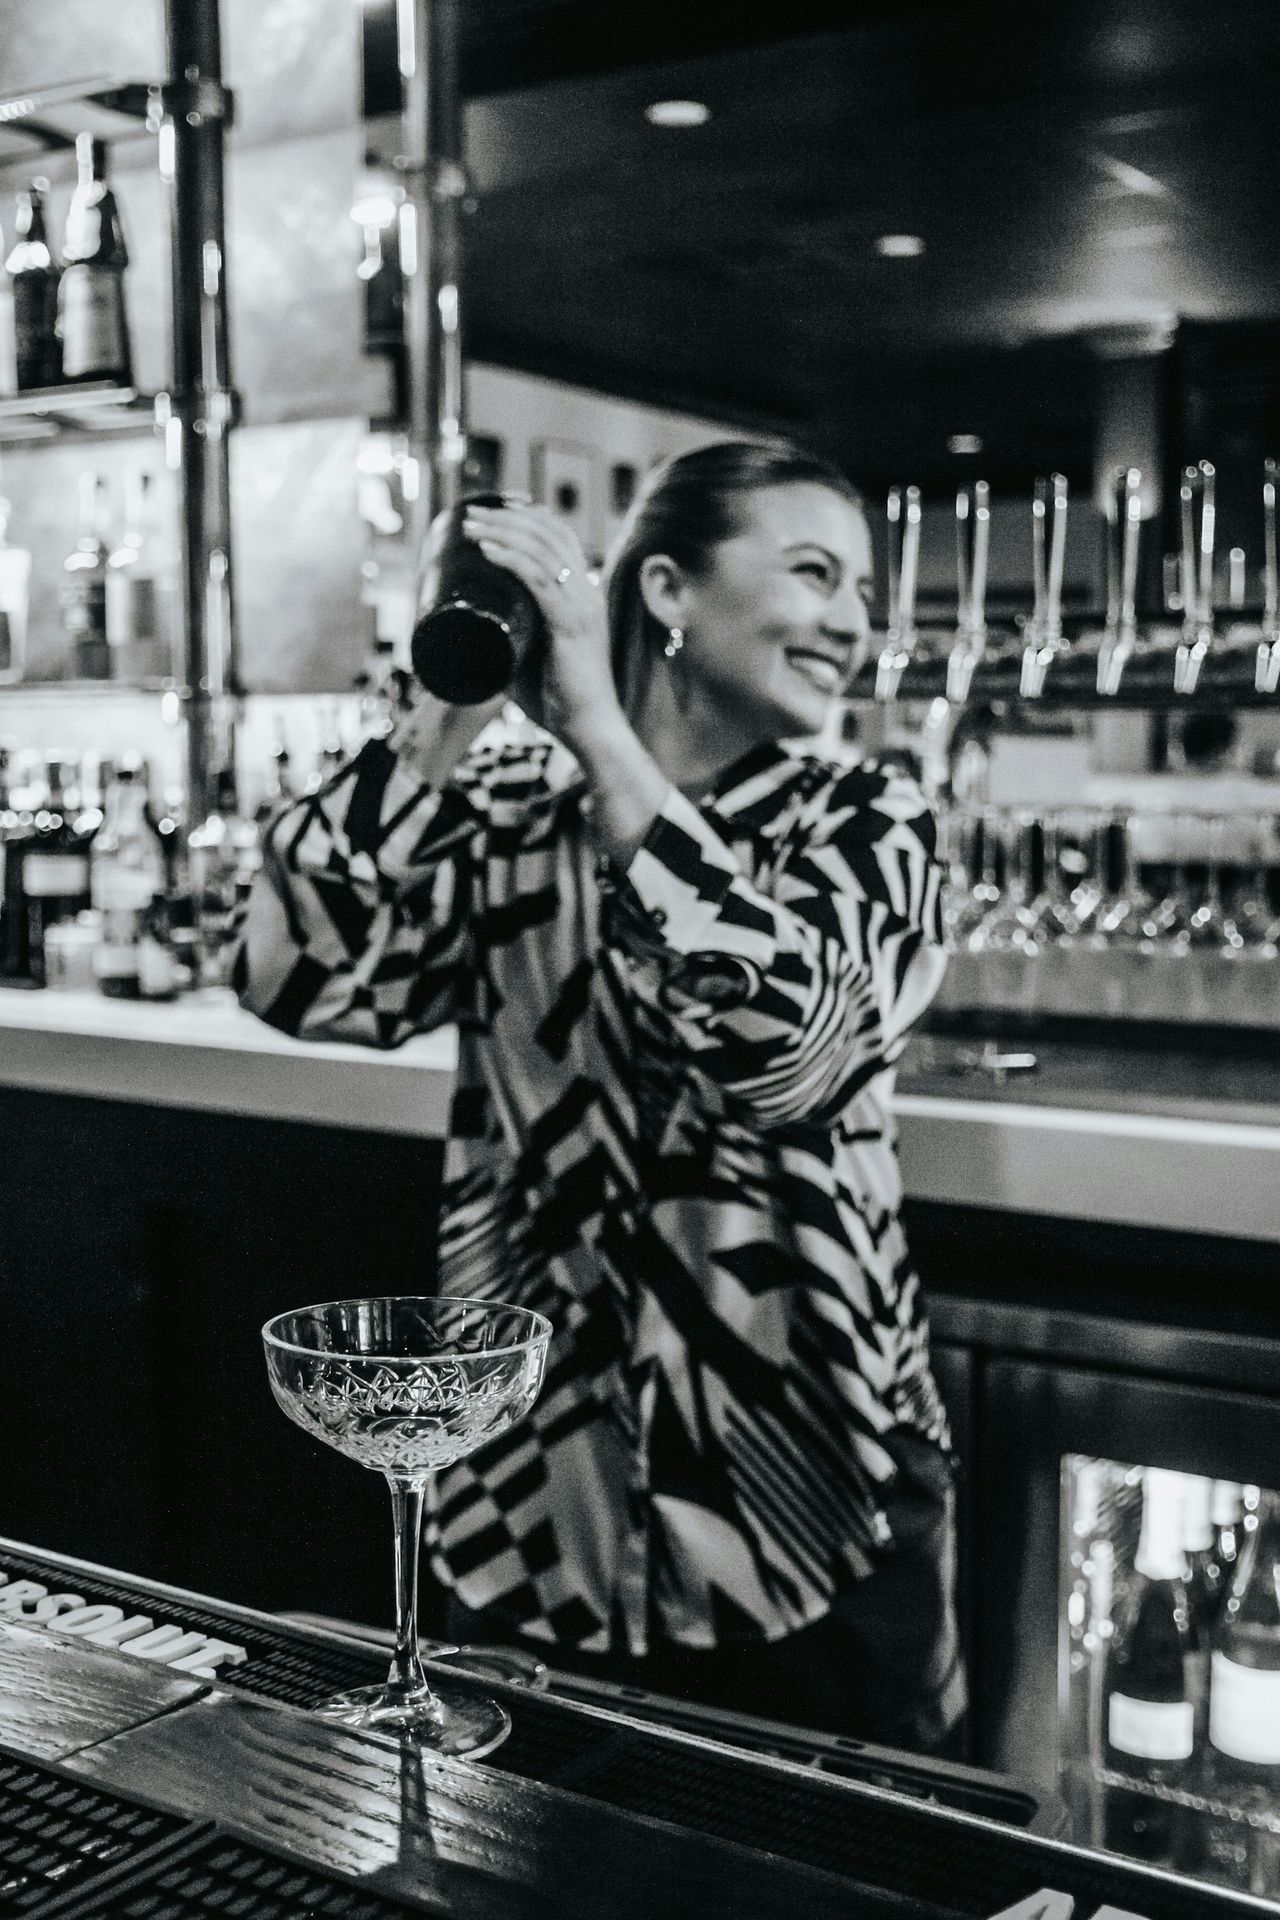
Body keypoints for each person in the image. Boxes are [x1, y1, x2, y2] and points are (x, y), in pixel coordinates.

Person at [235, 440, 964, 1755]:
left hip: (810, 1521)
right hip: (526, 1524)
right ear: (670, 591)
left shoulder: (868, 822)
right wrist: (445, 709)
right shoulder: (510, 821)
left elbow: (790, 1051)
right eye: (817, 573)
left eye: (863, 589)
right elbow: (292, 974)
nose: (856, 621)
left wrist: (599, 736)